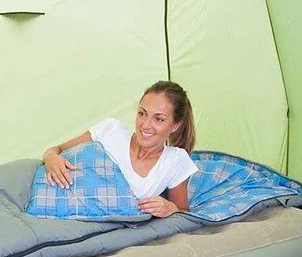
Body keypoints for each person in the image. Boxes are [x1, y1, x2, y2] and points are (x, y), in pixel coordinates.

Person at [42, 80, 197, 218]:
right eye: (142, 113)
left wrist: (171, 208)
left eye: (158, 119)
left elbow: (183, 212)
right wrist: (51, 158)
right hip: (53, 195)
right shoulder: (111, 130)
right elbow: (56, 149)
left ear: (175, 126)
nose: (145, 125)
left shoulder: (176, 160)